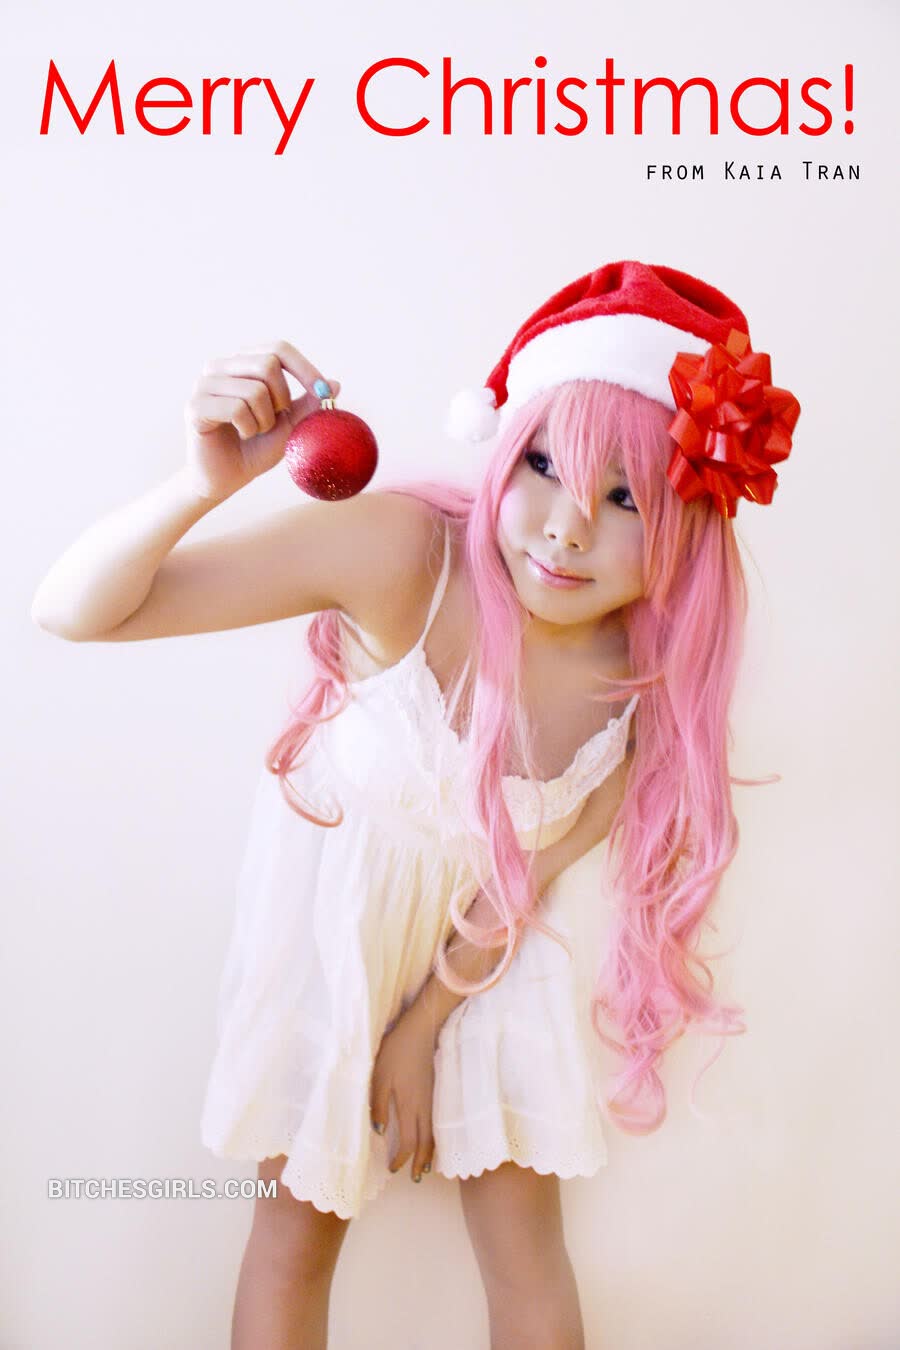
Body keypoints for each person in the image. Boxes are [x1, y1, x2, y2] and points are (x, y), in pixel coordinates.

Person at [31, 259, 800, 1350]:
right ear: (502, 446)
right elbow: (73, 611)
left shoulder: (642, 690)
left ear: (692, 520)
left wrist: (425, 1025)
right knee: (297, 1231)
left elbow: (522, 880)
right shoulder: (403, 558)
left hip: (489, 953)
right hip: (334, 935)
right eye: (542, 464)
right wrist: (205, 483)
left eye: (626, 496)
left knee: (528, 1249)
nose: (566, 528)